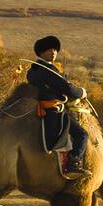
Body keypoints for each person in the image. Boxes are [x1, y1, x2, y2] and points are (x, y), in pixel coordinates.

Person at [26, 35, 88, 178]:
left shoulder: (32, 70)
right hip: (53, 109)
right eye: (49, 49)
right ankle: (74, 163)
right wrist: (82, 92)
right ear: (41, 52)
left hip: (38, 108)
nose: (53, 52)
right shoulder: (48, 69)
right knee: (82, 134)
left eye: (55, 49)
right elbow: (68, 88)